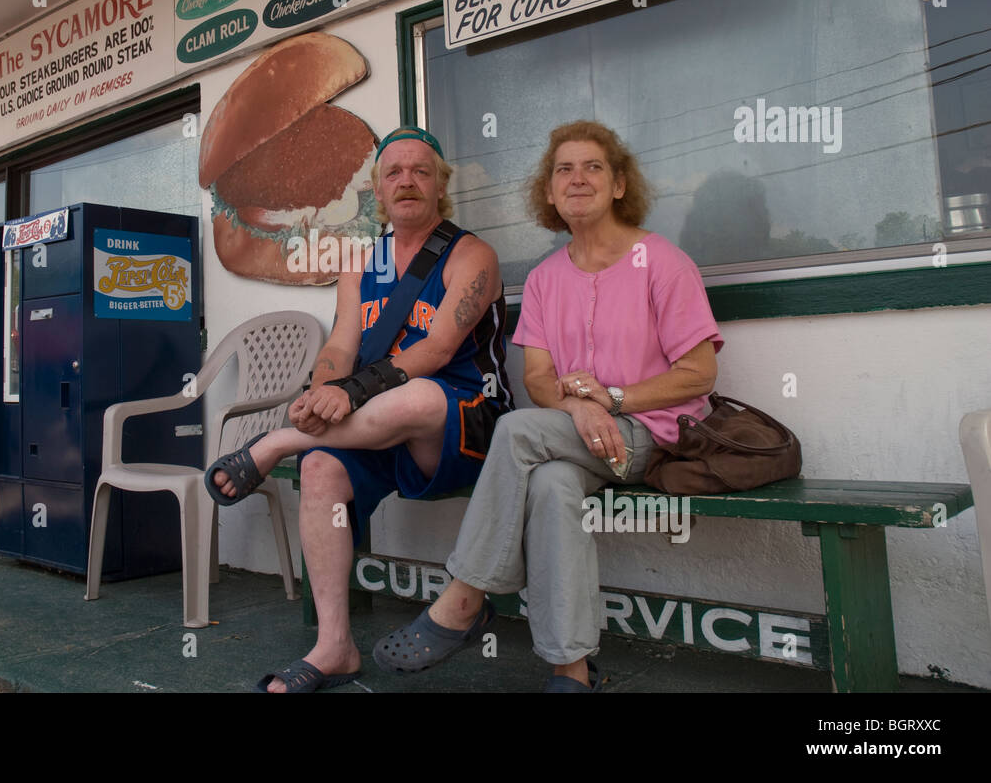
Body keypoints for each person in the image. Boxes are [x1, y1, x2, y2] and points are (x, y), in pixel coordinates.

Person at [372, 119, 723, 692]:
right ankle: (572, 671)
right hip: (575, 439)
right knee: (551, 485)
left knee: (513, 432)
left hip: (653, 438)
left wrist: (610, 400)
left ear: (617, 185)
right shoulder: (543, 278)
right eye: (564, 169)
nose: (576, 178)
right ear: (549, 189)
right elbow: (538, 378)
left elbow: (700, 373)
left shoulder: (661, 261)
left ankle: (463, 598)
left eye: (592, 167)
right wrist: (578, 409)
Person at [205, 125, 513, 692]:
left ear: (440, 186)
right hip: (375, 429)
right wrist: (319, 391)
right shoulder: (359, 265)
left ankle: (272, 445)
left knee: (417, 395)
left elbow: (437, 350)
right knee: (321, 470)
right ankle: (334, 646)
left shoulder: (473, 255)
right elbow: (341, 346)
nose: (407, 181)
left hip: (462, 428)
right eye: (394, 172)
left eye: (421, 171)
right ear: (376, 187)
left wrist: (344, 396)